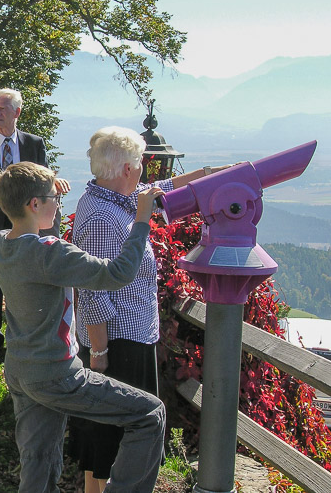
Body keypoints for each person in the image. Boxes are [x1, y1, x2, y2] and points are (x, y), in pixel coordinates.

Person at [66, 126, 239, 492]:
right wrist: (99, 355)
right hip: (117, 346)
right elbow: (94, 292)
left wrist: (214, 175)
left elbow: (168, 189)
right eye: (141, 162)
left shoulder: (115, 196)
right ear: (127, 168)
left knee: (110, 439)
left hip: (129, 340)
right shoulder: (102, 218)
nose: (145, 169)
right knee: (111, 444)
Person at [0, 161, 166, 492]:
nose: (58, 204)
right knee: (149, 415)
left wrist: (48, 195)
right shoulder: (50, 254)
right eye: (52, 199)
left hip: (21, 371)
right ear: (34, 204)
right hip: (57, 375)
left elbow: (38, 250)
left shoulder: (0, 243)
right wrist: (142, 219)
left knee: (38, 464)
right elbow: (118, 274)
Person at [0, 87, 70, 352]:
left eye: (3, 109)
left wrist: (55, 181)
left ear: (17, 112)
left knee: (29, 281)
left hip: (28, 225)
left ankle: (29, 336)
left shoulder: (33, 144)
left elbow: (42, 181)